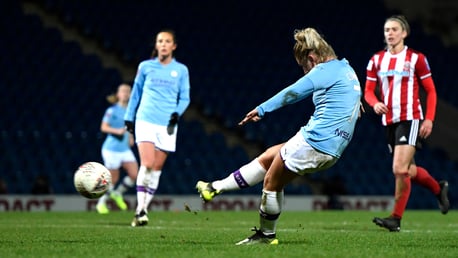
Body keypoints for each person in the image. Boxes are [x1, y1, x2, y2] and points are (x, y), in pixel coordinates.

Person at [200, 27, 362, 245]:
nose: (305, 72)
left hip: (316, 140)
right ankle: (214, 187)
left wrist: (262, 109)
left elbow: (293, 92)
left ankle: (266, 235)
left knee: (271, 183)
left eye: (303, 66)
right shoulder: (346, 69)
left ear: (312, 59)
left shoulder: (323, 71)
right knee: (269, 156)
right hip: (332, 146)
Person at [364, 15, 449, 232]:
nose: (389, 33)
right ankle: (438, 188)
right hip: (389, 120)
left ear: (404, 33)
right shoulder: (376, 60)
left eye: (394, 29)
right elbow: (368, 92)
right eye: (386, 30)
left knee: (398, 168)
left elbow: (430, 90)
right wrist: (374, 104)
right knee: (408, 171)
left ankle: (395, 218)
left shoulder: (416, 58)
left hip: (410, 118)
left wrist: (429, 118)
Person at [124, 29, 191, 227]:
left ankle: (142, 211)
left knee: (157, 169)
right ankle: (140, 209)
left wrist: (177, 112)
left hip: (168, 124)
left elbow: (185, 97)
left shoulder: (181, 70)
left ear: (173, 46)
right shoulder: (145, 66)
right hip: (145, 119)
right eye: (160, 41)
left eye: (167, 41)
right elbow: (135, 93)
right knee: (147, 163)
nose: (163, 44)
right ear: (156, 45)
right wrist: (129, 117)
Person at [96, 83, 139, 214]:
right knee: (113, 179)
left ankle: (117, 193)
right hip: (111, 149)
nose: (126, 93)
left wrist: (131, 136)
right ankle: (101, 203)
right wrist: (117, 131)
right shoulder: (111, 110)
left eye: (128, 91)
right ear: (118, 94)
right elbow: (103, 127)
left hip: (124, 149)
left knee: (134, 174)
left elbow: (129, 127)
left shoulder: (131, 111)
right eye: (123, 91)